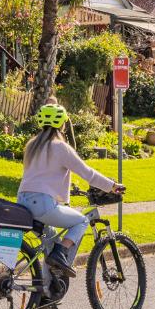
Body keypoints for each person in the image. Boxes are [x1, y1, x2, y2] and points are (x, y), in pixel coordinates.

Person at [17, 103, 124, 279]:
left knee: (50, 245)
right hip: (42, 205)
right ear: (63, 124)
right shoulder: (60, 147)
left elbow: (39, 177)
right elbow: (88, 174)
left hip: (23, 203)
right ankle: (61, 253)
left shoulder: (32, 146)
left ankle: (45, 291)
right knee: (81, 221)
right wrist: (112, 186)